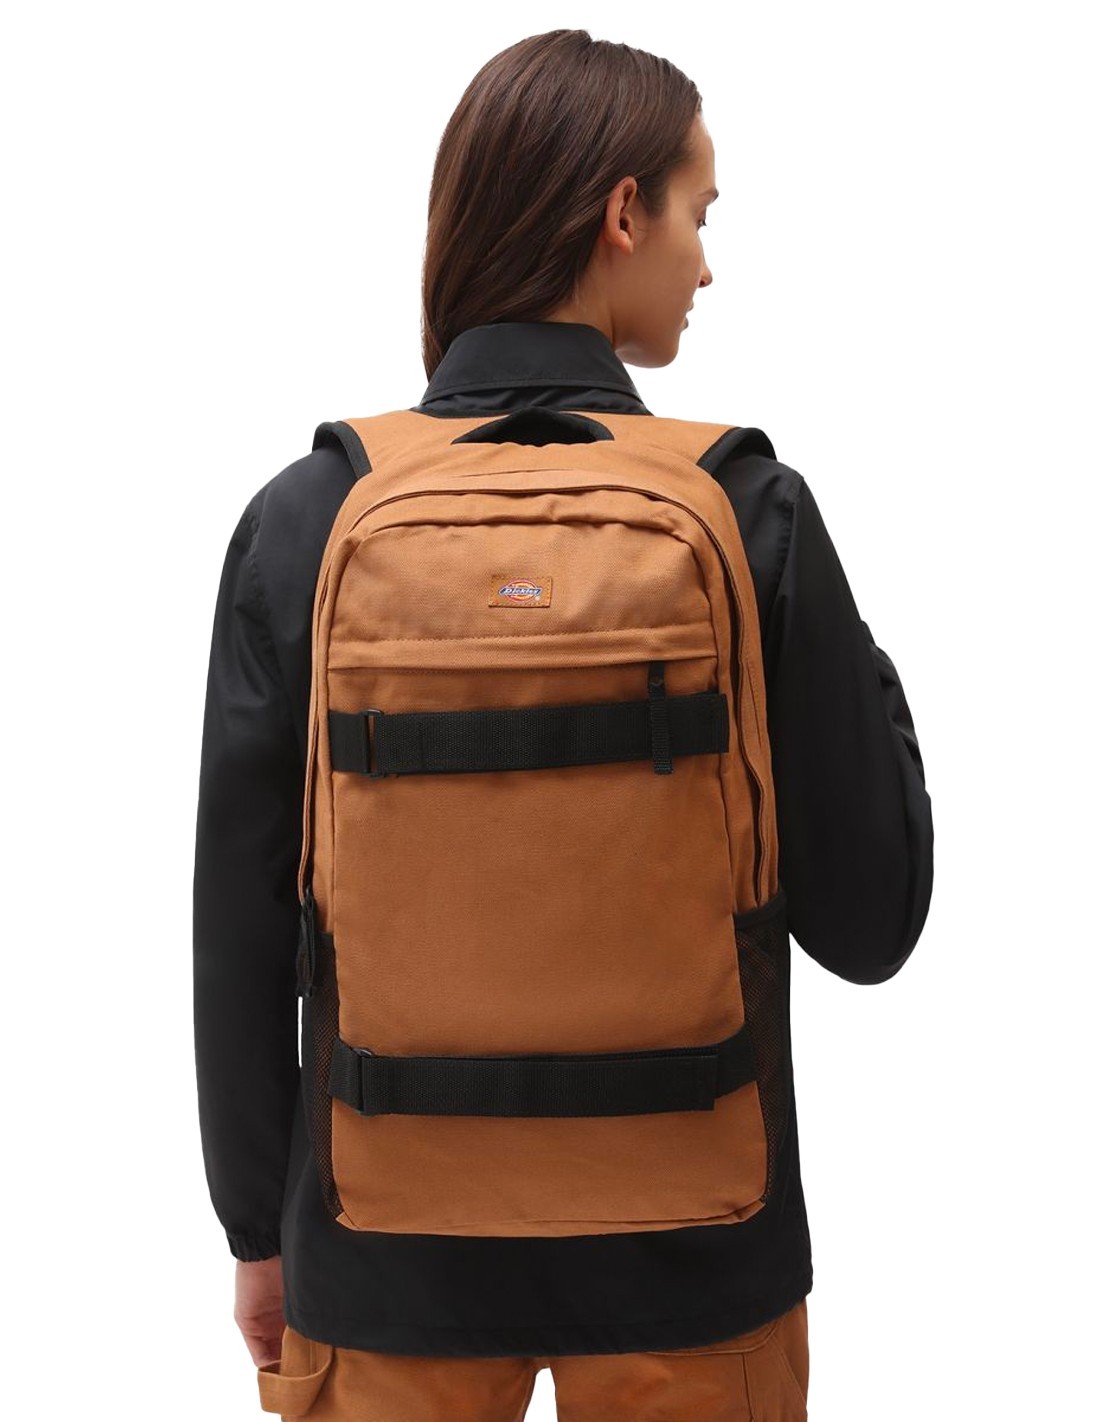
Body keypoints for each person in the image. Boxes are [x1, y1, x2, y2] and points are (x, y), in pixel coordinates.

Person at [192, 28, 933, 1421]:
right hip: (698, 1260)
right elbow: (873, 921)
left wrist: (256, 1226)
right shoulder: (749, 509)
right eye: (701, 212)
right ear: (622, 212)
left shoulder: (307, 517)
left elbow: (237, 921)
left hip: (380, 1252)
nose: (706, 265)